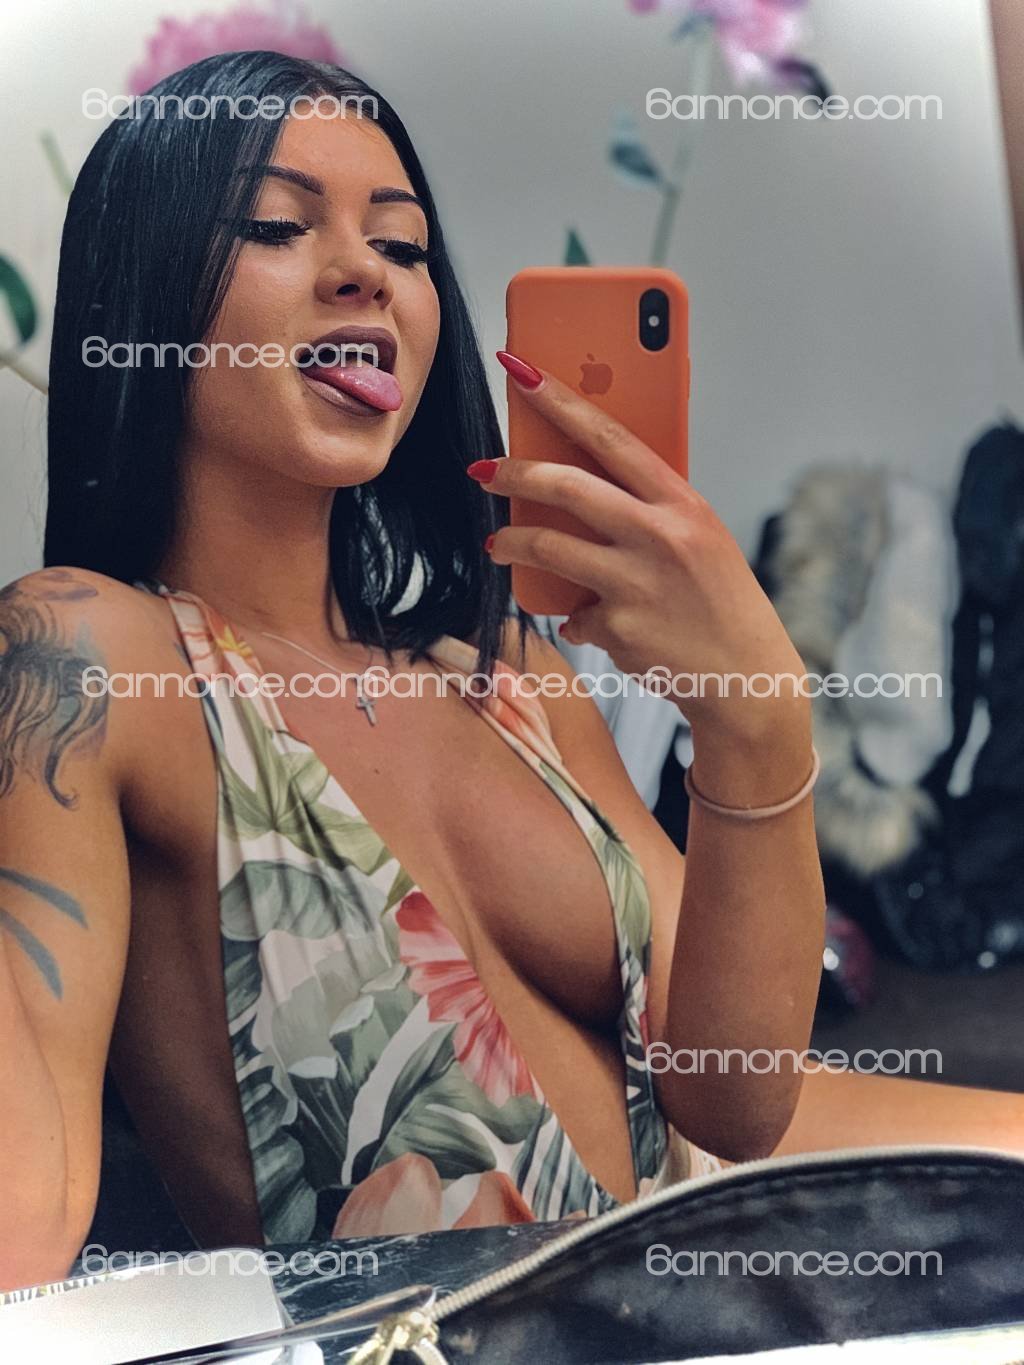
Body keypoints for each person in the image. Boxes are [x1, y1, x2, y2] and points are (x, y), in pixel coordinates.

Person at [0, 50, 828, 1292]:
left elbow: (738, 1104)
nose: (366, 273)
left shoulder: (509, 673)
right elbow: (21, 1226)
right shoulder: (89, 656)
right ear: (143, 290)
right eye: (277, 226)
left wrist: (755, 715)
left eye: (403, 245)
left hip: (709, 1300)